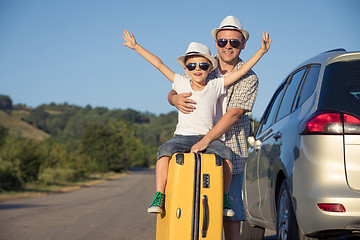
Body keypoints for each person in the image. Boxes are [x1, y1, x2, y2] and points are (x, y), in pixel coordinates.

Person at [122, 28, 271, 218]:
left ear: (211, 68)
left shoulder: (216, 84)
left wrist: (261, 52)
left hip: (206, 138)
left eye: (202, 65)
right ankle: (159, 195)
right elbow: (159, 64)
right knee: (164, 151)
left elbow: (242, 70)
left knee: (226, 154)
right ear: (185, 69)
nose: (197, 69)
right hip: (182, 137)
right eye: (191, 66)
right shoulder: (181, 83)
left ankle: (224, 199)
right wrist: (136, 47)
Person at [168, 16, 265, 239]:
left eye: (234, 42)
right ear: (216, 43)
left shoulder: (249, 77)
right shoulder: (203, 66)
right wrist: (173, 99)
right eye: (222, 42)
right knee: (191, 204)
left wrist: (206, 140)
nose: (228, 46)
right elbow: (176, 86)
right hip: (194, 148)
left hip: (231, 149)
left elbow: (233, 114)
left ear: (243, 44)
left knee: (230, 208)